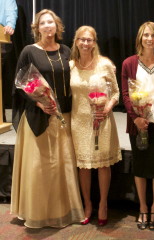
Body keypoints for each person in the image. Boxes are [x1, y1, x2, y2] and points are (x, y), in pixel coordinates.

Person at [10, 9, 84, 228]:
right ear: (37, 28)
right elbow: (20, 84)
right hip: (39, 117)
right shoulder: (29, 51)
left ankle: (61, 211)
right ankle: (39, 213)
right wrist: (39, 103)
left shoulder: (67, 50)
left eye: (51, 22)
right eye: (43, 23)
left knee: (62, 168)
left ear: (57, 26)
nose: (47, 26)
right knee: (41, 169)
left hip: (64, 117)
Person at [121, 21, 154, 230]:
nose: (149, 39)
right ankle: (142, 207)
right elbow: (125, 94)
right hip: (137, 124)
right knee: (140, 167)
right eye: (145, 35)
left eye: (153, 35)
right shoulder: (129, 63)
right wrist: (135, 118)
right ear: (140, 38)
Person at [70, 25, 122, 226]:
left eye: (89, 39)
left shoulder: (105, 64)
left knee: (102, 165)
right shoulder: (71, 66)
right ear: (76, 41)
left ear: (94, 42)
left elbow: (116, 93)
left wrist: (106, 108)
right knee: (83, 166)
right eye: (82, 39)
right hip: (79, 121)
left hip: (101, 119)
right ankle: (88, 204)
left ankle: (103, 204)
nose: (85, 43)